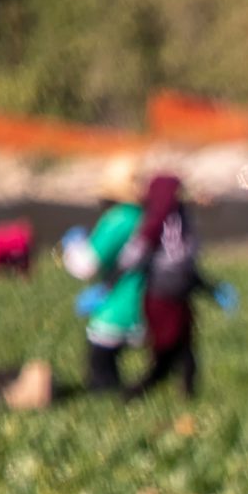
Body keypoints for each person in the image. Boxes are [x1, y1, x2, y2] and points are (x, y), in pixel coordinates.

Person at [118, 173, 235, 400]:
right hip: (162, 296)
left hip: (178, 295)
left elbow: (186, 264)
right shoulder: (155, 223)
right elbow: (135, 258)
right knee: (167, 351)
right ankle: (136, 393)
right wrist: (109, 285)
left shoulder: (178, 219)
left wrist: (211, 289)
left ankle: (186, 395)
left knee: (185, 349)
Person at [60, 157, 147, 396]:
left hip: (118, 309)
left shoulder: (119, 219)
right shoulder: (150, 217)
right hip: (152, 306)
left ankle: (108, 395)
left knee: (101, 368)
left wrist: (72, 247)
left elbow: (85, 265)